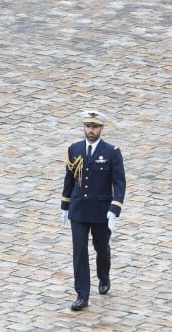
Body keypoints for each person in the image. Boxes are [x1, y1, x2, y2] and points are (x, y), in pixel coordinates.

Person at [61, 111, 126, 311]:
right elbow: (69, 178)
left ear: (101, 129)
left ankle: (104, 275)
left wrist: (114, 209)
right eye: (88, 126)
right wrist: (65, 205)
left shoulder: (111, 152)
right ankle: (82, 295)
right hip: (79, 210)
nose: (91, 130)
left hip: (100, 210)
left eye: (95, 127)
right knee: (79, 252)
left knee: (101, 248)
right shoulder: (74, 149)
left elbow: (119, 182)